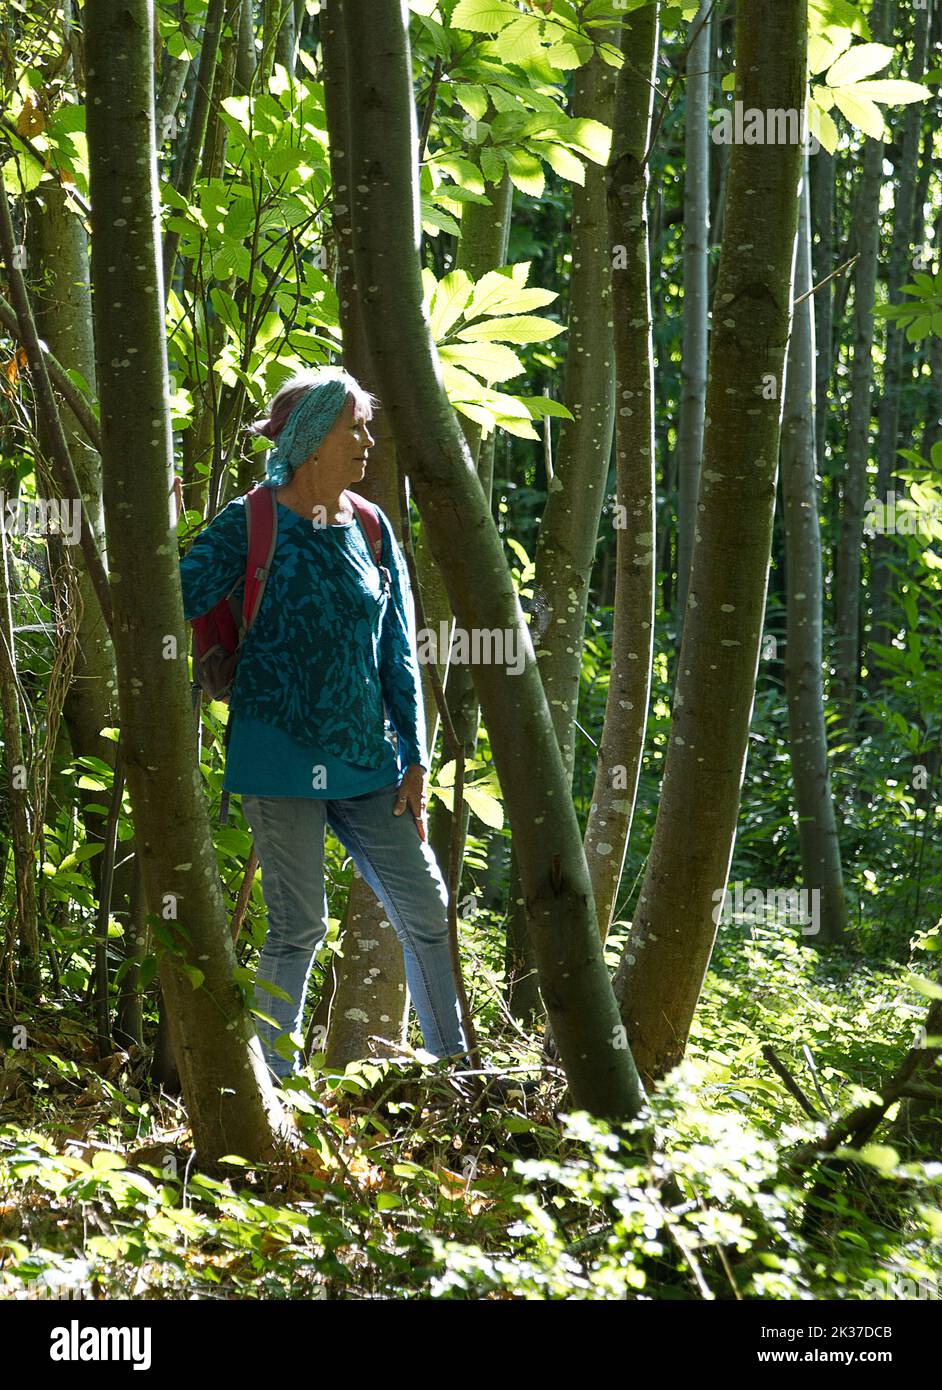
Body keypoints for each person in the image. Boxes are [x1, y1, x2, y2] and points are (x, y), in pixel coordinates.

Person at [179, 366, 467, 1084]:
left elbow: (398, 647)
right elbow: (170, 592)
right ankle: (269, 1092)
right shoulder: (252, 521)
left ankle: (453, 1071)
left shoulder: (371, 527)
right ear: (312, 442)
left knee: (429, 914)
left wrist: (416, 757)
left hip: (371, 759)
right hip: (278, 754)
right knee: (298, 927)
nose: (369, 439)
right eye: (356, 426)